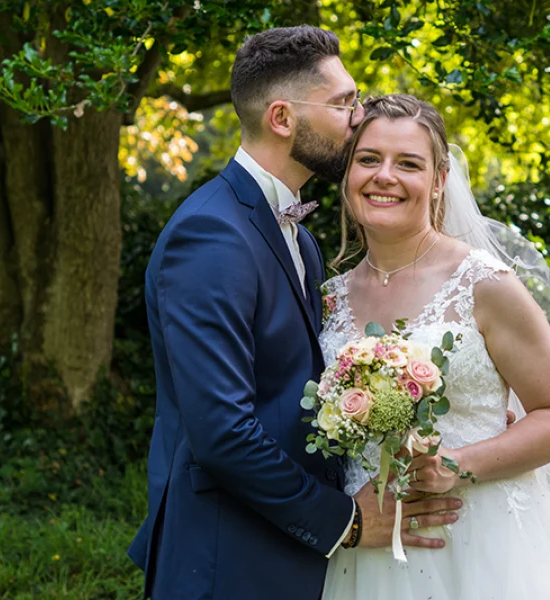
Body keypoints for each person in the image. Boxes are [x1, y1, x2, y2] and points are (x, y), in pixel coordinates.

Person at [127, 29, 460, 600]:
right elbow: (223, 433)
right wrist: (344, 522)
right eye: (342, 103)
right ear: (282, 118)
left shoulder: (299, 238)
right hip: (229, 560)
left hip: (288, 555)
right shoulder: (212, 234)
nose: (358, 119)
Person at [319, 94, 550, 599]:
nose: (384, 176)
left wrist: (454, 465)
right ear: (347, 172)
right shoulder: (328, 298)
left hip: (483, 544)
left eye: (408, 163)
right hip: (369, 546)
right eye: (368, 159)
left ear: (440, 180)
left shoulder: (484, 282)